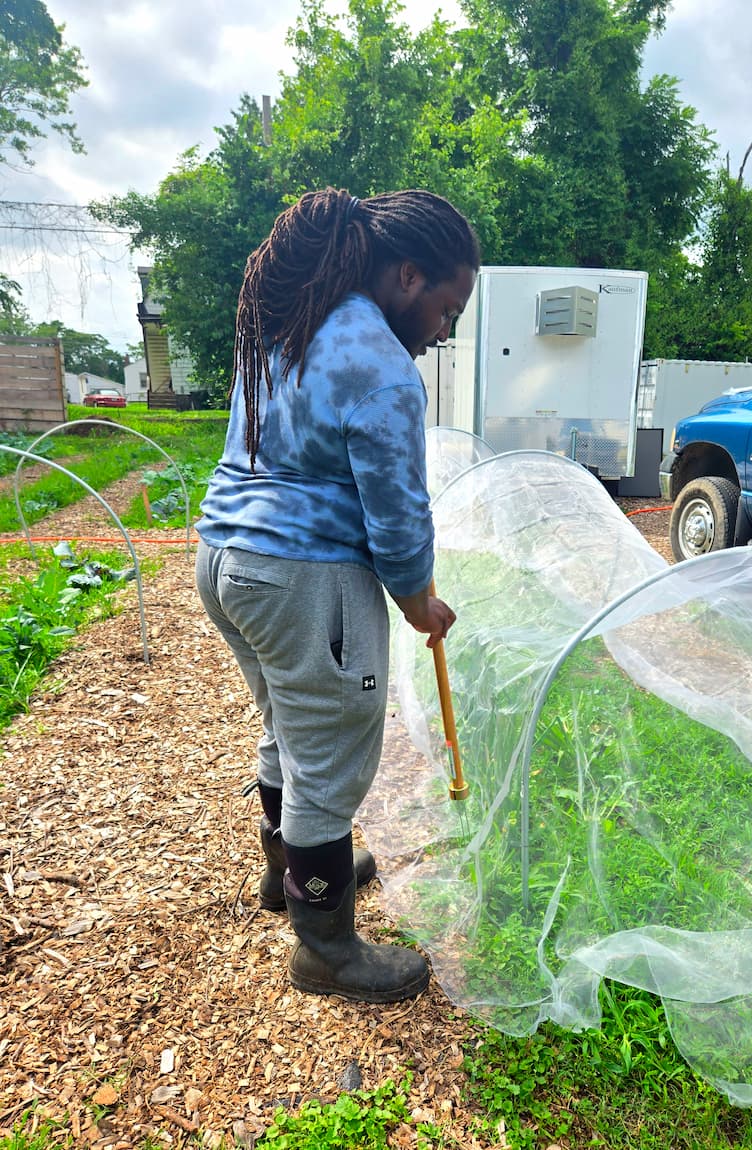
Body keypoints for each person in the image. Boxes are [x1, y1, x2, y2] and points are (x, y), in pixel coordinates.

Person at [194, 187, 480, 1004]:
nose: (446, 331)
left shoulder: (293, 317)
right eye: (447, 309)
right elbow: (397, 517)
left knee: (291, 721)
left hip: (223, 558)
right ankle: (325, 948)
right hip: (301, 575)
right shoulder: (383, 370)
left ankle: (291, 873)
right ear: (408, 275)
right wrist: (419, 600)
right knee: (329, 757)